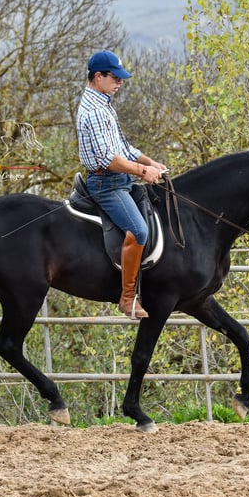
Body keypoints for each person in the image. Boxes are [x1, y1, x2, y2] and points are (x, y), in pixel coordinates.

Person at [76, 50, 167, 319]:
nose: (120, 82)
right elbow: (107, 157)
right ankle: (127, 299)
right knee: (139, 231)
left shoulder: (103, 104)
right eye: (115, 77)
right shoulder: (93, 111)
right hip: (107, 184)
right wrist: (142, 170)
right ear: (98, 76)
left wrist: (151, 162)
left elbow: (123, 147)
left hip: (121, 179)